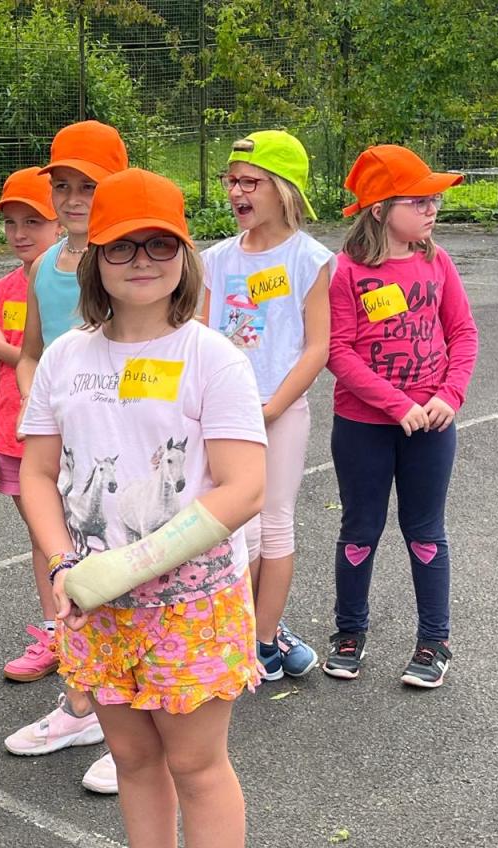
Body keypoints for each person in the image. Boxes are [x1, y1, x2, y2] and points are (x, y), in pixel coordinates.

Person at [19, 168, 265, 848]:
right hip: (95, 604)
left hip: (192, 604)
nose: (142, 260)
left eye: (161, 244)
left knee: (196, 764)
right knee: (131, 756)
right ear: (95, 257)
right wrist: (64, 563)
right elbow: (37, 472)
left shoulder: (212, 357)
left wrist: (135, 564)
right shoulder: (65, 358)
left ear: (185, 256)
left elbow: (245, 486)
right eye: (122, 246)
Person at [2, 120, 130, 794]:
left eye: (89, 185)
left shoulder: (130, 260)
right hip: (63, 448)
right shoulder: (44, 266)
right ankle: (82, 704)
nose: (73, 198)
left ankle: (129, 724)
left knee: (124, 573)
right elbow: (30, 355)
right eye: (63, 186)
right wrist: (41, 404)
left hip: (119, 447)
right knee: (62, 567)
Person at [325, 145, 478, 688]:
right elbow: (337, 351)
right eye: (418, 200)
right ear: (379, 209)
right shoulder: (345, 272)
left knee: (426, 532)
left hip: (432, 426)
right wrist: (398, 405)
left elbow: (463, 333)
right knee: (360, 530)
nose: (432, 209)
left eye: (434, 200)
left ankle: (435, 641)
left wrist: (449, 397)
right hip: (362, 428)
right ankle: (349, 632)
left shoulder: (437, 262)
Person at [200, 130, 333, 681]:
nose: (236, 191)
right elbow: (198, 334)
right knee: (236, 528)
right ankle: (244, 631)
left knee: (274, 523)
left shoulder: (310, 259)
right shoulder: (214, 259)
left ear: (284, 188)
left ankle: (263, 640)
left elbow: (317, 346)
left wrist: (274, 407)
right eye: (231, 180)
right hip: (222, 415)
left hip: (280, 411)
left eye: (250, 182)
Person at [0, 166, 64, 680]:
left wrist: (5, 350)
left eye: (33, 221)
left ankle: (88, 633)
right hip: (12, 437)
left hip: (60, 437)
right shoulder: (1, 290)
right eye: (11, 222)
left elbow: (59, 360)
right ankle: (56, 632)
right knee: (41, 537)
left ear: (59, 225)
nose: (19, 233)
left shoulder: (71, 285)